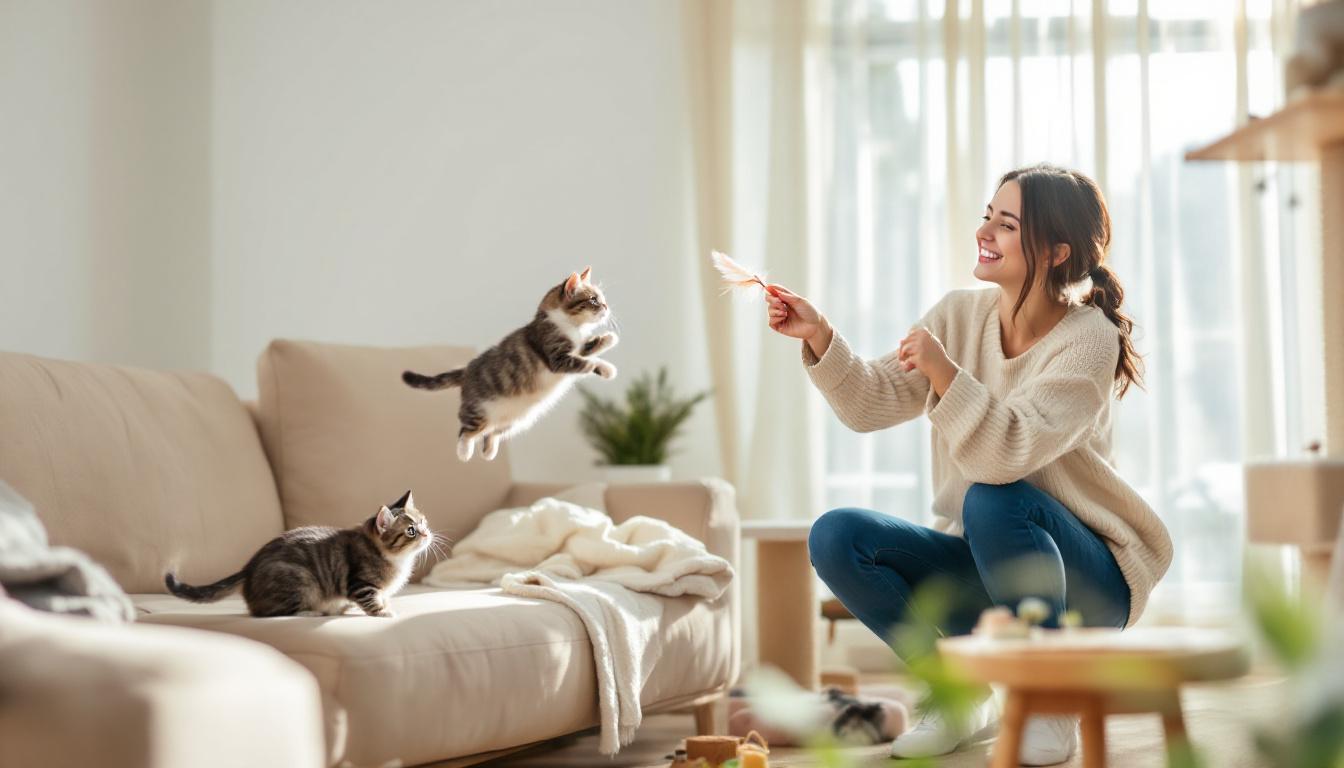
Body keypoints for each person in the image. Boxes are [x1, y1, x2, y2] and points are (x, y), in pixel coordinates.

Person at [764, 164, 1172, 764]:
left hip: (1092, 578)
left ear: (1057, 251)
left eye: (1006, 224)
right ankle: (955, 694)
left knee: (992, 496)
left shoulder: (1088, 340)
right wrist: (821, 335)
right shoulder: (957, 316)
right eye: (988, 215)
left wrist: (944, 372)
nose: (985, 230)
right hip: (991, 560)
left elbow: (1004, 456)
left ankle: (1048, 695)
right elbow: (869, 402)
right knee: (837, 535)